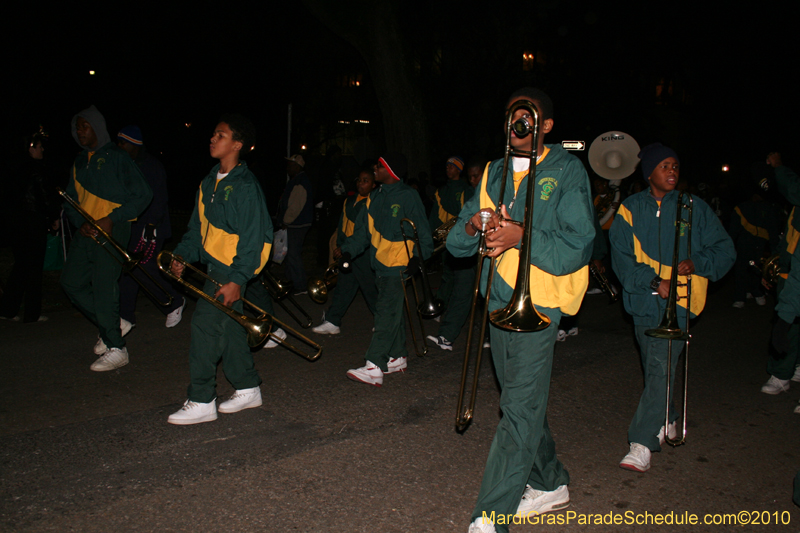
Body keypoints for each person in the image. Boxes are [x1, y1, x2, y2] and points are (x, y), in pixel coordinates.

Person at [447, 88, 596, 533]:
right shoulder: (492, 171)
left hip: (541, 299)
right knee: (520, 402)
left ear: (545, 125)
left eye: (529, 118)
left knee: (518, 408)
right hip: (498, 297)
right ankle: (549, 481)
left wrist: (520, 236)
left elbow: (579, 244)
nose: (520, 125)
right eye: (513, 116)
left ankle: (490, 516)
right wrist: (473, 225)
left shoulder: (566, 169)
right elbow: (458, 242)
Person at [610, 143, 735, 472]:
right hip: (642, 302)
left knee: (660, 368)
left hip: (679, 304)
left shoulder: (694, 208)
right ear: (649, 173)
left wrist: (698, 262)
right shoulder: (629, 209)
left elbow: (725, 250)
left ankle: (642, 441)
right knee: (656, 370)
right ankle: (669, 416)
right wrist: (653, 283)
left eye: (675, 166)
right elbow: (621, 258)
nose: (672, 171)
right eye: (664, 166)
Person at [166, 114, 272, 425]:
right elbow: (198, 230)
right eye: (213, 134)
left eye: (221, 135)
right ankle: (248, 387)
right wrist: (182, 255)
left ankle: (201, 399)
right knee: (230, 332)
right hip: (213, 266)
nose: (213, 139)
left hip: (233, 268)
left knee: (204, 327)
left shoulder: (246, 186)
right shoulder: (208, 182)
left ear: (237, 144)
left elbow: (255, 239)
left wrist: (238, 279)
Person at [60, 106, 152, 371]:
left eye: (85, 126)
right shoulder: (79, 162)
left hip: (113, 228)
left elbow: (143, 195)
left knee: (103, 286)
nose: (80, 132)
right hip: (87, 230)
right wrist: (80, 223)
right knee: (71, 283)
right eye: (77, 127)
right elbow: (70, 202)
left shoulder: (117, 157)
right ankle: (112, 324)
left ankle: (117, 348)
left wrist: (113, 218)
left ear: (97, 128)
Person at [339, 153, 434, 386]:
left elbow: (422, 230)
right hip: (379, 265)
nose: (375, 168)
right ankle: (397, 356)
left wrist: (418, 258)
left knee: (385, 312)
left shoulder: (408, 196)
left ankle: (374, 365)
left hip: (399, 265)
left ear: (391, 171)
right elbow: (362, 231)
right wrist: (349, 251)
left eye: (379, 166)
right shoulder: (374, 197)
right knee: (392, 312)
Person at [115, 126, 186, 330]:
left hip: (152, 227)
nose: (120, 147)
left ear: (135, 144)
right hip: (132, 227)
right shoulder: (125, 165)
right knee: (129, 270)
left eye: (123, 143)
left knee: (145, 268)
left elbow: (160, 199)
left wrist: (151, 226)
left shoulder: (151, 166)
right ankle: (126, 316)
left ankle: (174, 301)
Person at [0, 128, 60, 323]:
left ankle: (8, 309)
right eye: (40, 147)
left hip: (16, 224)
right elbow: (44, 197)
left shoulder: (13, 168)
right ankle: (31, 314)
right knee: (33, 268)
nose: (42, 151)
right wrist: (53, 216)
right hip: (33, 223)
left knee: (21, 266)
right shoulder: (36, 169)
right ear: (31, 148)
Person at [312, 167, 378, 334]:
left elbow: (365, 232)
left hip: (363, 252)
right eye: (359, 180)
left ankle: (383, 320)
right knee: (343, 287)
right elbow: (342, 225)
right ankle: (333, 321)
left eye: (366, 181)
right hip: (347, 251)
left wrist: (349, 247)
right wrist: (340, 245)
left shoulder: (373, 203)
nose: (361, 183)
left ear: (374, 185)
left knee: (370, 288)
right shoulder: (349, 200)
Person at [760, 152, 800, 396]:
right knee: (790, 323)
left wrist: (779, 167)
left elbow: (793, 188)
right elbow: (788, 240)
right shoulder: (795, 210)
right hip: (792, 273)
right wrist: (771, 269)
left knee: (790, 323)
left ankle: (783, 371)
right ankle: (787, 370)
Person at [426, 156, 475, 350]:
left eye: (452, 166)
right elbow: (435, 216)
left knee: (463, 285)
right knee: (447, 275)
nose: (448, 169)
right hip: (446, 239)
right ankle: (440, 307)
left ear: (459, 170)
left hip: (463, 239)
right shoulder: (441, 191)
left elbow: (465, 213)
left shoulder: (466, 189)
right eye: (446, 165)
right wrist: (432, 236)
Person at [277, 154, 313, 295]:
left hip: (297, 224)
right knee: (289, 253)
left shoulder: (300, 182)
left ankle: (300, 285)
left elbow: (295, 206)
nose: (288, 168)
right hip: (296, 223)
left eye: (291, 165)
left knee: (293, 254)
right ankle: (292, 281)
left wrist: (286, 221)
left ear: (297, 166)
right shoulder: (297, 180)